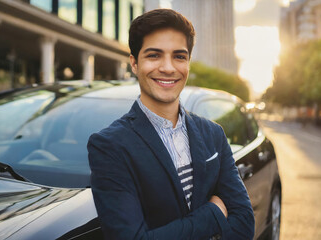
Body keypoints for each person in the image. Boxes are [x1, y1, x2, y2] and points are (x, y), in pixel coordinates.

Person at [87, 9, 255, 240]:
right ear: (134, 64)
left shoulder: (213, 134)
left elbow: (244, 223)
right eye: (154, 55)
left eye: (179, 56)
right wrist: (213, 214)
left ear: (188, 63)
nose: (168, 68)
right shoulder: (109, 145)